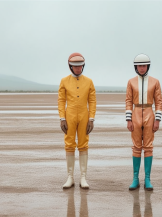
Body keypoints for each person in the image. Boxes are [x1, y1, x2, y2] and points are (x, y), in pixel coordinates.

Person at [58, 52, 96, 189]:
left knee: (83, 144)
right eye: (75, 67)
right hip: (70, 115)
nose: (78, 69)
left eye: (80, 66)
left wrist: (91, 118)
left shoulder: (89, 82)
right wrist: (62, 118)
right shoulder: (64, 81)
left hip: (84, 115)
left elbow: (92, 101)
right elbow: (61, 100)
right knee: (69, 144)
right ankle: (70, 177)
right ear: (70, 67)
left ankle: (83, 177)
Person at [126, 54, 162, 191]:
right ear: (136, 67)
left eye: (144, 65)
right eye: (139, 66)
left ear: (148, 66)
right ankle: (135, 178)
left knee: (148, 146)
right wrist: (128, 119)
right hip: (136, 113)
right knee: (136, 146)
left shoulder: (155, 82)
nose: (142, 68)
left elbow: (158, 101)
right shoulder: (131, 82)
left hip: (149, 113)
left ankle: (147, 178)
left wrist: (157, 119)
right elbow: (128, 101)